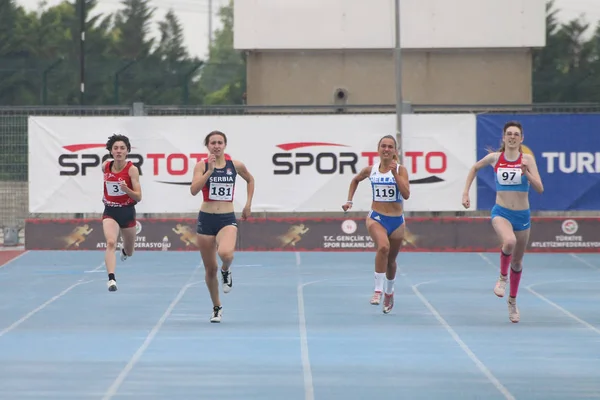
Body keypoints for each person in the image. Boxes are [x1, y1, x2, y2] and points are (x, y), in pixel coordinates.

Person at [461, 121, 543, 323]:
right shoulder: (495, 158)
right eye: (509, 134)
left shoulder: (528, 160)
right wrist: (465, 192)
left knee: (517, 261)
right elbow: (474, 168)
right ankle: (502, 277)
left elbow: (540, 188)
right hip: (501, 212)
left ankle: (512, 302)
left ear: (521, 138)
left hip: (522, 216)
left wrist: (527, 174)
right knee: (509, 242)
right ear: (504, 137)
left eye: (516, 134)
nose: (512, 137)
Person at [190, 130, 255, 323]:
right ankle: (217, 307)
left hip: (227, 218)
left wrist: (248, 204)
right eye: (213, 143)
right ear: (207, 146)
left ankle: (226, 270)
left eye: (220, 142)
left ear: (225, 145)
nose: (216, 146)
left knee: (226, 253)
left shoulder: (235, 165)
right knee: (210, 269)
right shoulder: (201, 166)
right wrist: (209, 171)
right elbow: (194, 190)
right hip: (206, 219)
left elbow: (250, 179)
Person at [342, 135, 410, 314]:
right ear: (378, 149)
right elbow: (355, 180)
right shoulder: (370, 170)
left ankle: (389, 292)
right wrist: (349, 200)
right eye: (383, 146)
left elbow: (406, 194)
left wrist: (395, 174)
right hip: (376, 218)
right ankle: (378, 290)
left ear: (395, 151)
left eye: (390, 147)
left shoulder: (401, 170)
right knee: (383, 248)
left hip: (396, 221)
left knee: (391, 262)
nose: (386, 149)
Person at [101, 134, 142, 292]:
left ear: (127, 151)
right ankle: (111, 279)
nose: (118, 151)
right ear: (111, 151)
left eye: (122, 148)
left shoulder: (132, 170)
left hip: (127, 212)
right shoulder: (105, 166)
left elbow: (138, 196)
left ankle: (124, 251)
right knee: (111, 242)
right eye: (115, 148)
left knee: (130, 251)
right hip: (110, 211)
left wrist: (127, 190)